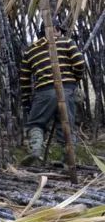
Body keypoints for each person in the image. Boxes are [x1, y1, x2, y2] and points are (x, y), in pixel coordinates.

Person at [19, 25, 86, 164]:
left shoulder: (31, 50)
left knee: (36, 123)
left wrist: (26, 101)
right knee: (66, 124)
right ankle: (68, 158)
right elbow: (79, 63)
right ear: (55, 30)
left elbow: (24, 79)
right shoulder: (67, 42)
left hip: (43, 92)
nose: (61, 33)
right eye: (60, 30)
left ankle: (36, 149)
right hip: (67, 90)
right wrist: (74, 81)